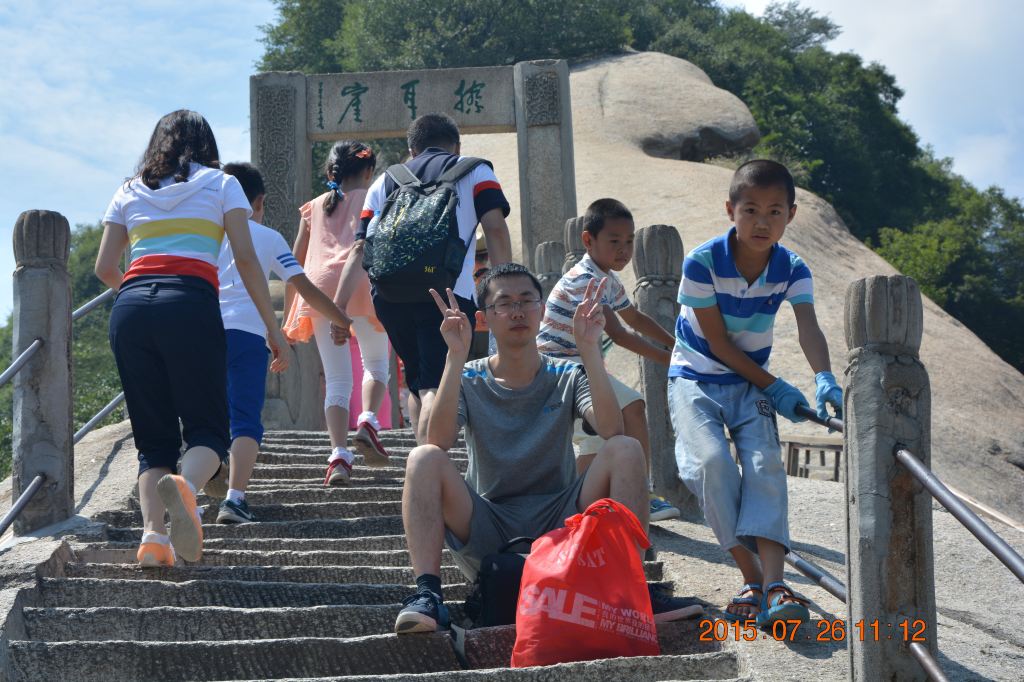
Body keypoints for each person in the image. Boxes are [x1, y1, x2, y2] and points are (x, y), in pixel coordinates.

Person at [394, 263, 700, 634]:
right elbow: (437, 441)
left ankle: (631, 591)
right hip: (489, 523)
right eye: (504, 303)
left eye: (527, 300)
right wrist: (454, 358)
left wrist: (589, 351)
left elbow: (610, 427)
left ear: (542, 309)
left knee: (625, 448)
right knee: (423, 457)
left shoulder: (566, 374)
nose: (518, 311)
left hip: (563, 520)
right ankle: (428, 596)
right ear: (484, 319)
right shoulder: (470, 375)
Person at [94, 110, 292, 566]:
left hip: (131, 307)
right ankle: (186, 485)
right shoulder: (223, 185)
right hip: (191, 303)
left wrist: (138, 293)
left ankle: (152, 539)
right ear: (208, 146)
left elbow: (105, 267)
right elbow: (244, 258)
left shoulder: (129, 189)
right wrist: (272, 326)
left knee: (153, 439)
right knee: (207, 429)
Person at [667, 160, 843, 628]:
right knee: (711, 465)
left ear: (791, 215)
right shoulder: (701, 264)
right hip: (696, 377)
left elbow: (808, 325)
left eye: (775, 211)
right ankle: (751, 578)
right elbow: (719, 343)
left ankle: (777, 582)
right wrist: (778, 387)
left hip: (750, 383)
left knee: (765, 466)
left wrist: (824, 376)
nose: (762, 222)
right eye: (750, 210)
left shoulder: (792, 267)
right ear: (730, 210)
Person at [335, 113, 513, 447]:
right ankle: (429, 469)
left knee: (419, 384)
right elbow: (495, 227)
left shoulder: (385, 181)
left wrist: (339, 306)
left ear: (411, 149)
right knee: (436, 384)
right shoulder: (475, 170)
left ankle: (424, 464)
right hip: (447, 297)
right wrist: (503, 290)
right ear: (456, 146)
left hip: (389, 296)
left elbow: (360, 247)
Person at [216, 162, 354, 523]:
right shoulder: (268, 238)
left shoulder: (205, 237)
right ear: (258, 202)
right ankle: (234, 498)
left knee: (208, 415)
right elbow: (306, 287)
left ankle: (201, 475)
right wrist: (342, 319)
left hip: (203, 334)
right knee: (245, 420)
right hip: (247, 335)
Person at [538, 198, 681, 523]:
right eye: (614, 241)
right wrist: (669, 355)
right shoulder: (588, 281)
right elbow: (622, 334)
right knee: (591, 443)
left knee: (631, 409)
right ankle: (581, 504)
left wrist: (674, 346)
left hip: (579, 367)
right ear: (588, 240)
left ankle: (637, 491)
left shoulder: (603, 278)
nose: (624, 250)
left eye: (629, 241)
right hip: (562, 372)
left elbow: (634, 318)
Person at [283, 141, 393, 486]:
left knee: (337, 380)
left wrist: (290, 313)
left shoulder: (313, 207)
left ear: (331, 172)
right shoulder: (377, 197)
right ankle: (368, 421)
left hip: (318, 293)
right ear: (368, 171)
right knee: (376, 365)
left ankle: (339, 457)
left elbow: (293, 261)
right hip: (363, 285)